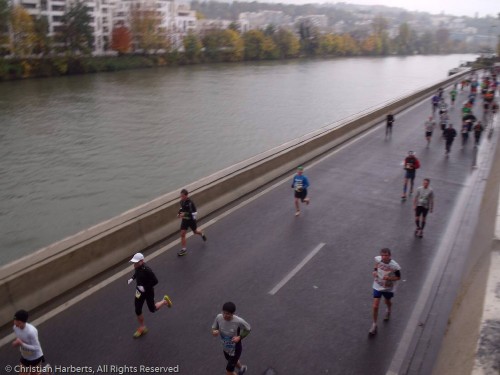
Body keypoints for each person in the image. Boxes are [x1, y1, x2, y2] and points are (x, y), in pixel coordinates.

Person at [128, 252, 172, 338]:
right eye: (134, 262)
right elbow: (136, 274)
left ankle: (164, 301)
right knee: (137, 309)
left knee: (153, 309)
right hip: (139, 292)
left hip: (148, 292)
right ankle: (142, 327)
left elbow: (155, 281)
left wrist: (144, 288)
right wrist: (132, 279)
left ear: (142, 261)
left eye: (136, 262)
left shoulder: (147, 270)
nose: (134, 264)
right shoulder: (137, 267)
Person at [212, 302, 251, 375]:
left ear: (233, 313)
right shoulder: (219, 317)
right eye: (223, 313)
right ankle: (242, 368)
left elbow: (248, 329)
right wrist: (214, 331)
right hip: (225, 348)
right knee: (232, 361)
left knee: (229, 371)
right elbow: (214, 327)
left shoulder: (238, 321)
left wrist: (239, 337)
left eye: (227, 314)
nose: (225, 315)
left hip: (235, 349)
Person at [369, 248, 401, 335]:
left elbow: (398, 277)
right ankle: (374, 324)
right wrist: (375, 271)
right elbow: (376, 264)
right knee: (375, 306)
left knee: (387, 301)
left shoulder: (394, 266)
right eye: (382, 255)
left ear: (390, 256)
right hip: (378, 285)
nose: (384, 257)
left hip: (388, 288)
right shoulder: (379, 259)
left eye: (386, 255)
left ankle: (388, 310)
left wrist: (389, 278)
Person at [12, 310, 46, 375]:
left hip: (35, 357)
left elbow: (36, 348)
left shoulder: (31, 332)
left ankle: (46, 371)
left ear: (22, 322)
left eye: (17, 321)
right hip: (25, 356)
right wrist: (17, 342)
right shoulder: (15, 328)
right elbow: (20, 338)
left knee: (34, 374)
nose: (15, 322)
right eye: (14, 320)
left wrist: (21, 343)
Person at [177, 188, 206, 256]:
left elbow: (195, 213)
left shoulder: (190, 203)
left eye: (182, 196)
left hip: (191, 220)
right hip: (185, 220)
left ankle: (201, 233)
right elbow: (181, 208)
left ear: (186, 196)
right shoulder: (181, 201)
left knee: (195, 232)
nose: (181, 197)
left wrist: (185, 214)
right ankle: (184, 250)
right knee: (182, 234)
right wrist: (179, 213)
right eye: (180, 196)